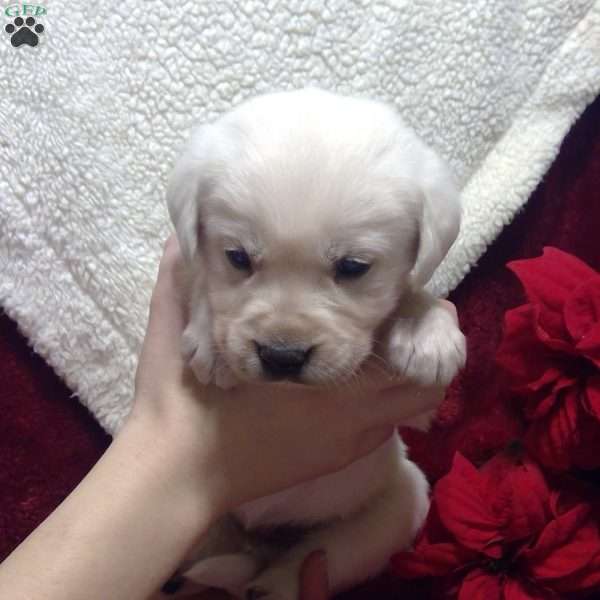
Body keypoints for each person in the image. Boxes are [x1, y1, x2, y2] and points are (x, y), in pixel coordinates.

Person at [0, 237, 449, 600]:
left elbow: (419, 399)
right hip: (204, 514)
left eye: (350, 267)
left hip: (350, 503)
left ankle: (278, 581)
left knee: (408, 497)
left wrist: (421, 316)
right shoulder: (205, 230)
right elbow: (187, 262)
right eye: (241, 259)